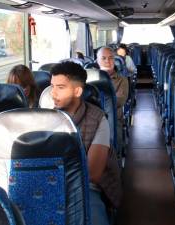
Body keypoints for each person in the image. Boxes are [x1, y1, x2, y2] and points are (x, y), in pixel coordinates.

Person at [50, 61, 122, 225]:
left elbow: (93, 173)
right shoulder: (46, 118)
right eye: (52, 86)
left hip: (86, 187)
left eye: (60, 87)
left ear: (77, 91)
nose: (53, 93)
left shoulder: (98, 118)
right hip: (51, 184)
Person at [97, 46, 129, 152]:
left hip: (113, 119)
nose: (107, 61)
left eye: (110, 58)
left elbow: (119, 101)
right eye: (103, 58)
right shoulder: (89, 79)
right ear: (97, 61)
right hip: (92, 120)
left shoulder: (122, 80)